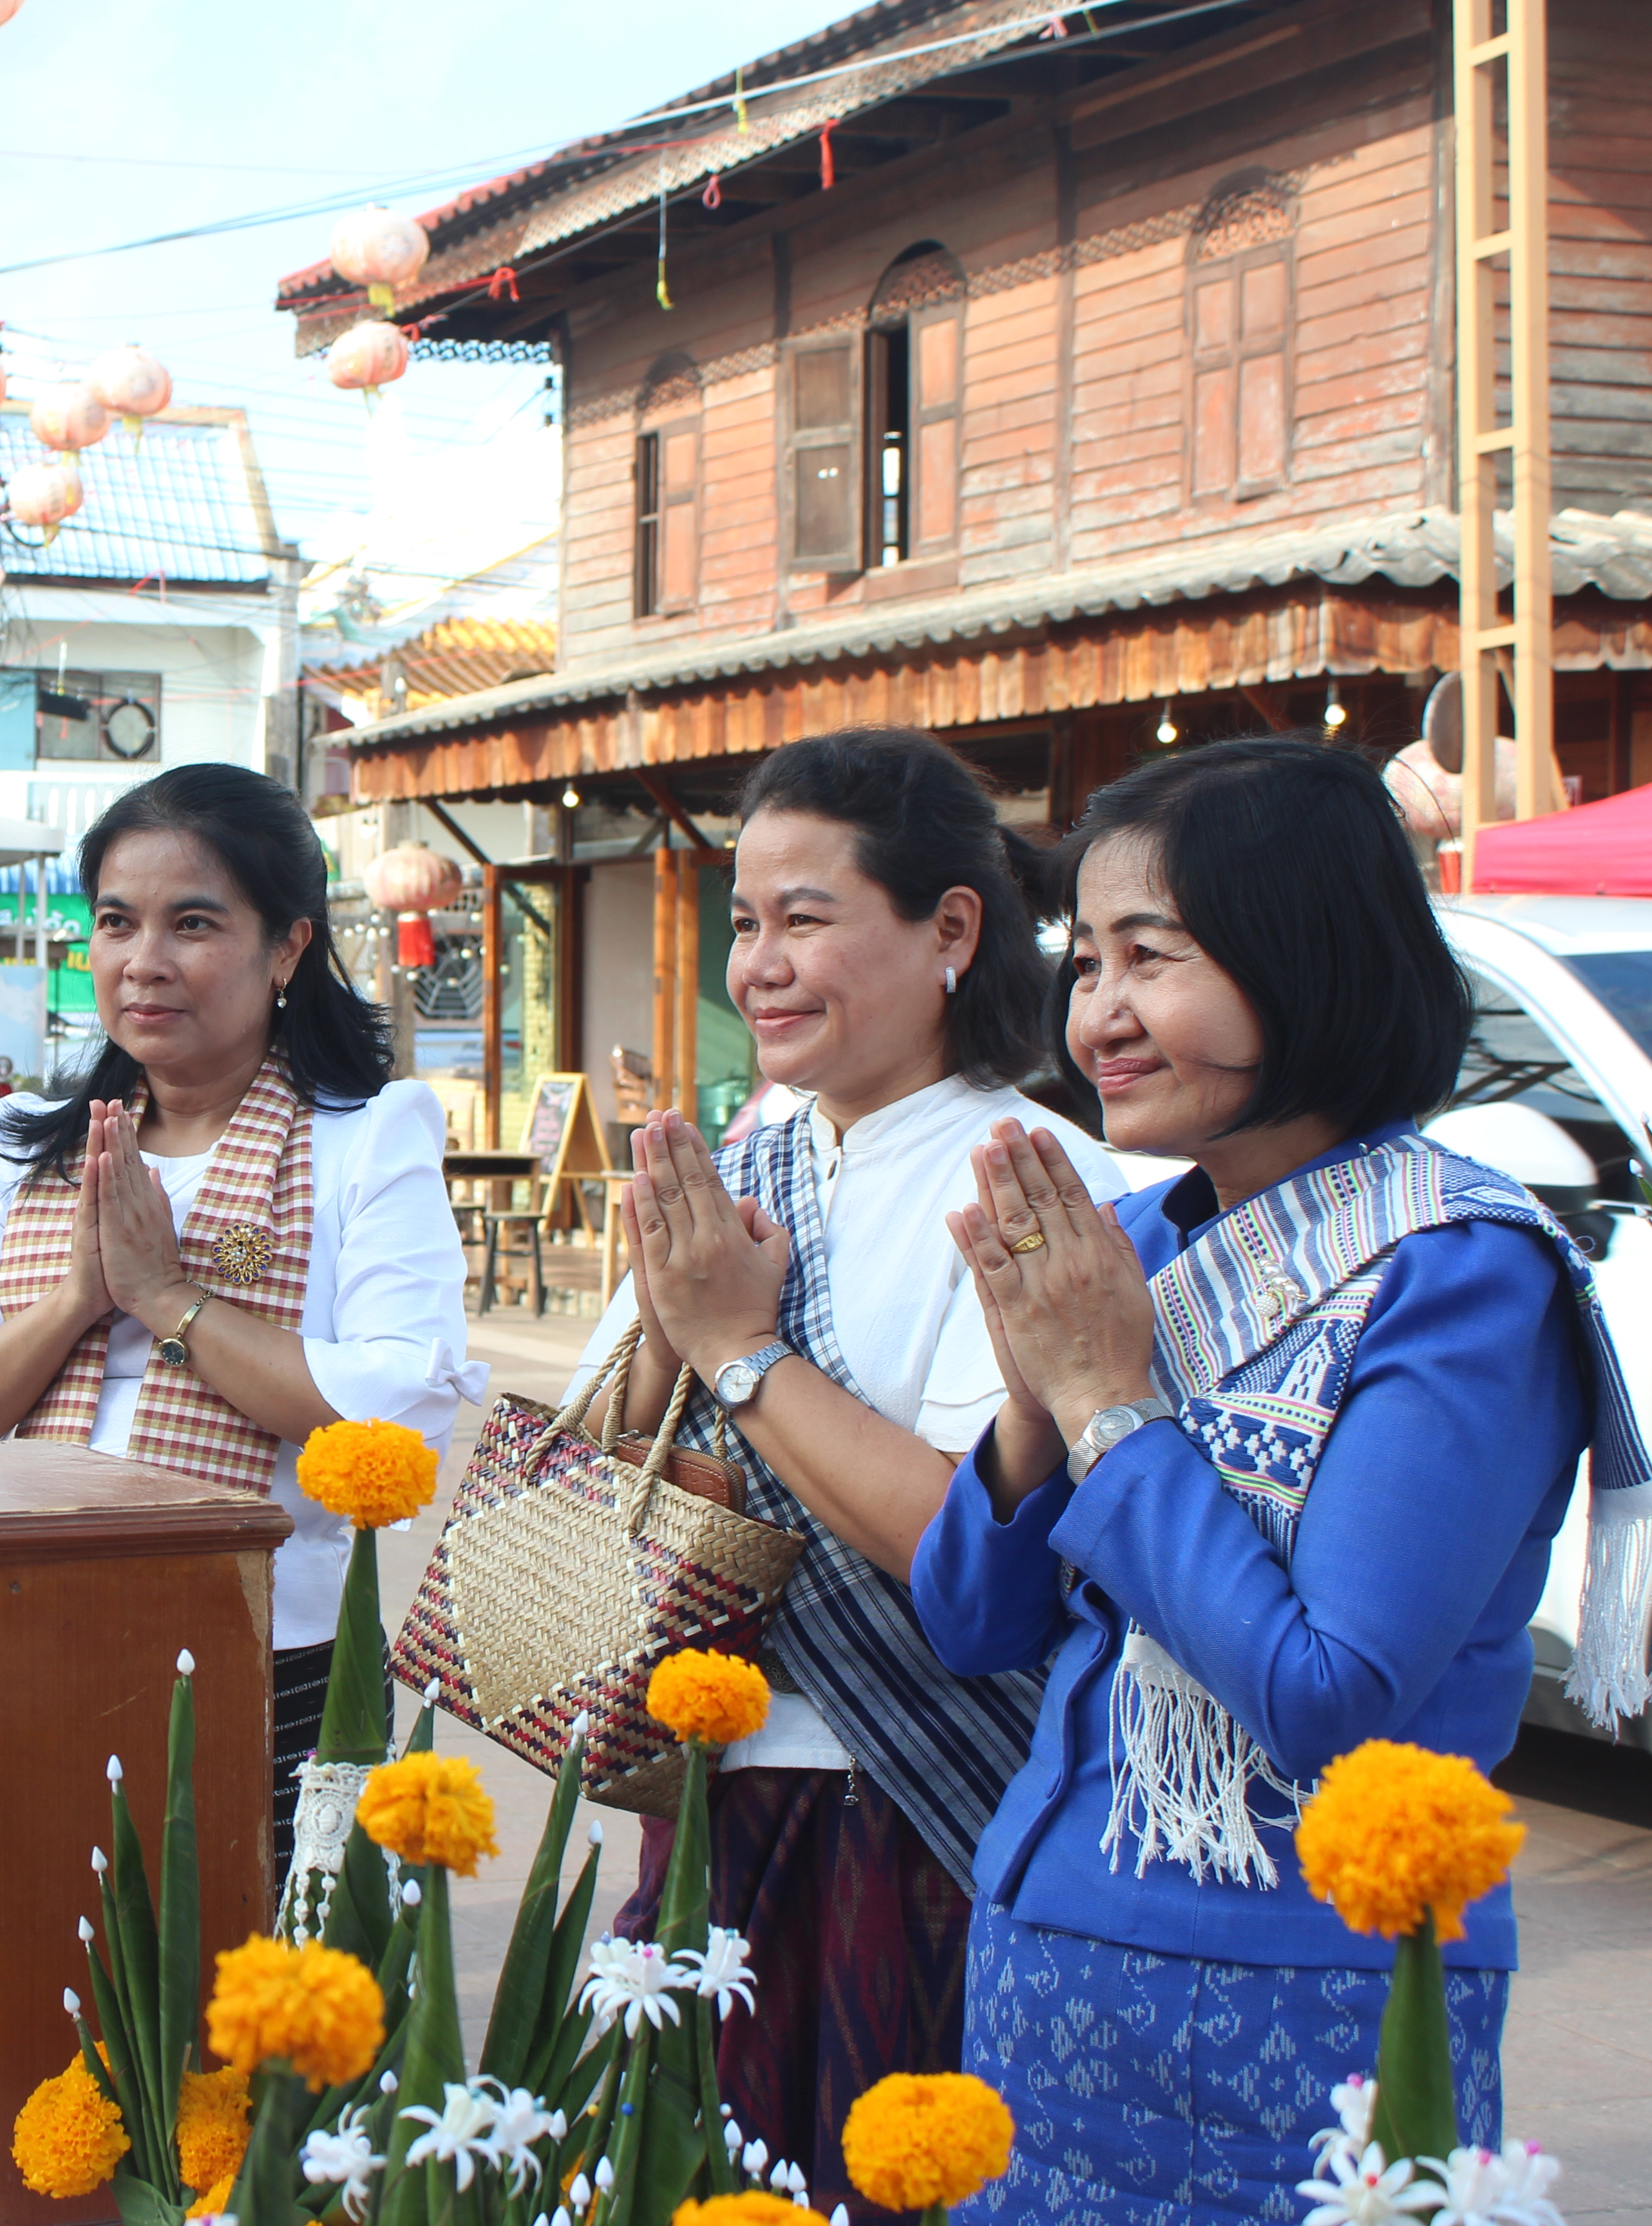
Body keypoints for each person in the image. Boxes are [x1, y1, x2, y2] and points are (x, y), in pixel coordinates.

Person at [913, 737, 1652, 2225]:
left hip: (1306, 1997)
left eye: (1151, 956)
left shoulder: (1459, 1274)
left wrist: (1105, 1402)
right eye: (1085, 961)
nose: (1098, 1013)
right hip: (1047, 1956)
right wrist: (1036, 1403)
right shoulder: (1134, 1243)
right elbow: (970, 1621)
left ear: (1306, 957)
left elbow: (1328, 1689)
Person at [569, 728, 1125, 2223]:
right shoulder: (750, 1152)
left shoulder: (1026, 1175)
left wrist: (740, 1351)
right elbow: (611, 1458)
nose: (758, 966)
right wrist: (674, 1332)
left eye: (804, 919)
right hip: (711, 1790)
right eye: (745, 921)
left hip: (904, 1808)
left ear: (951, 929)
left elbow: (965, 1541)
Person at [0, 764, 483, 1867]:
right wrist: (76, 1300)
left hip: (269, 1660)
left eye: (192, 924)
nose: (142, 961)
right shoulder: (26, 1145)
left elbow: (397, 1417)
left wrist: (168, 1299)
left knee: (256, 1968)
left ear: (287, 947)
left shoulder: (363, 1138)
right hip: (23, 1644)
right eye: (115, 922)